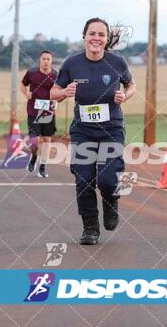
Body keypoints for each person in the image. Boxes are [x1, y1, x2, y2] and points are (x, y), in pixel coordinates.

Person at [50, 18, 136, 245]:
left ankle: (111, 201)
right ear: (84, 36)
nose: (96, 38)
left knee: (108, 179)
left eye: (101, 34)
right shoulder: (72, 64)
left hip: (111, 129)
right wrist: (64, 92)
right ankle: (90, 227)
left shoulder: (117, 62)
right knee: (84, 179)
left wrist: (124, 96)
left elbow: (131, 85)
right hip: (83, 131)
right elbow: (53, 92)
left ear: (106, 39)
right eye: (92, 33)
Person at [20, 50, 60, 178]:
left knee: (47, 139)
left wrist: (56, 103)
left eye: (48, 59)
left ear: (51, 61)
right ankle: (34, 156)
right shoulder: (32, 73)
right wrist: (26, 94)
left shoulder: (56, 75)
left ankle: (42, 166)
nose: (46, 61)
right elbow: (22, 84)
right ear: (40, 60)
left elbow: (59, 92)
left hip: (48, 111)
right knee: (34, 140)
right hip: (33, 110)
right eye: (44, 59)